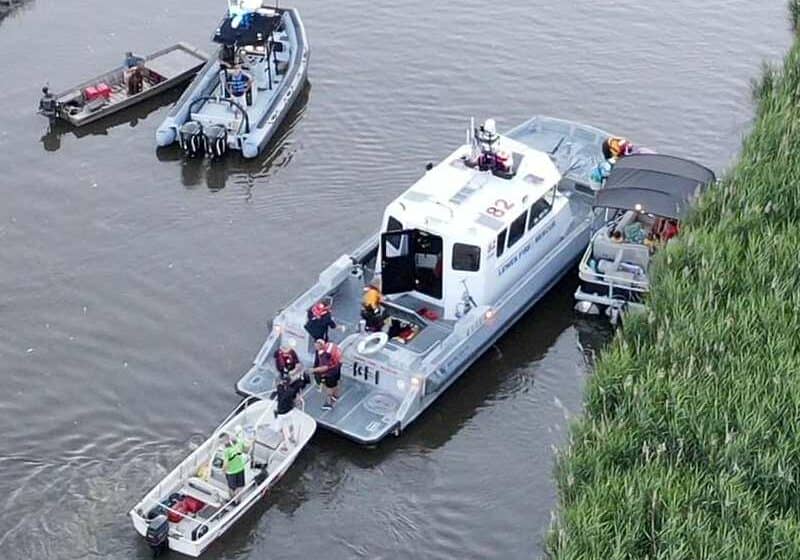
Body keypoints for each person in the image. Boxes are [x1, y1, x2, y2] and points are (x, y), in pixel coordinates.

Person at [270, 370, 311, 448]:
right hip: (288, 412)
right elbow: (295, 398)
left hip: (281, 413)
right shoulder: (291, 391)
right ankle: (292, 437)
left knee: (278, 428)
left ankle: (284, 444)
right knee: (290, 425)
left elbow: (277, 384)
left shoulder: (279, 388)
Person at [309, 339, 342, 410]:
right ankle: (336, 395)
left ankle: (328, 403)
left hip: (330, 372)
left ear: (320, 345)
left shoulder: (324, 354)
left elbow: (325, 367)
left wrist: (313, 370)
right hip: (337, 366)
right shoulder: (330, 345)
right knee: (335, 383)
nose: (315, 346)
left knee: (329, 387)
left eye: (316, 345)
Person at [221, 431, 249, 505]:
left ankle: (232, 501)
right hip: (240, 468)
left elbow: (226, 463)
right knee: (240, 486)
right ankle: (238, 500)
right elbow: (246, 451)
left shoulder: (226, 450)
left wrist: (223, 471)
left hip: (231, 471)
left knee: (231, 488)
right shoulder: (239, 443)